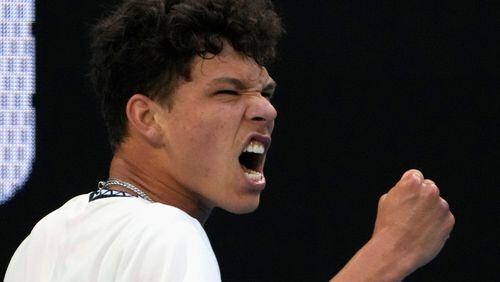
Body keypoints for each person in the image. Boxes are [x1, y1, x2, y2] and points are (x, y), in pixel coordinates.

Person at [4, 0, 455, 281]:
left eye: (265, 92)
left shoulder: (41, 241)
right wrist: (388, 256)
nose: (266, 109)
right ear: (147, 117)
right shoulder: (168, 234)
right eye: (227, 91)